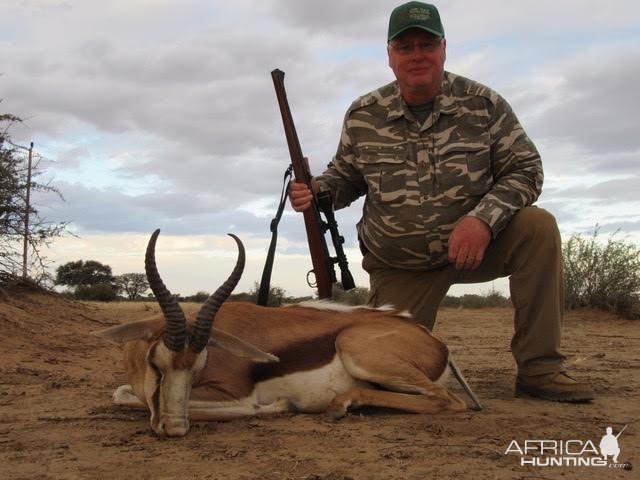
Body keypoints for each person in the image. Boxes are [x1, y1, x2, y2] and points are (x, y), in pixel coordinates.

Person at [288, 2, 593, 403]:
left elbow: (527, 170)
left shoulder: (484, 105)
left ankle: (540, 369)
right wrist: (317, 189)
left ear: (444, 48)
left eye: (427, 44)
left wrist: (483, 221)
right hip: (401, 264)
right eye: (405, 46)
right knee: (376, 370)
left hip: (474, 249)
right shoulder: (363, 114)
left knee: (538, 227)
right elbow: (345, 178)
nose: (417, 55)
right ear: (390, 56)